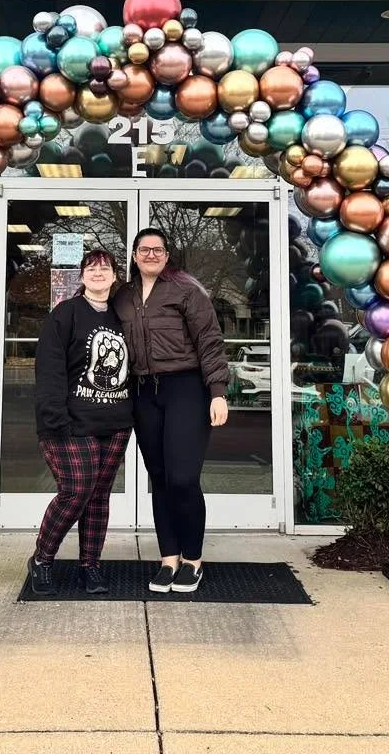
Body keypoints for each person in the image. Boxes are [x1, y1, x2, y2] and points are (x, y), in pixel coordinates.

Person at [114, 228, 231, 595]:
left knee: (182, 478)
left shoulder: (185, 290)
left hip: (186, 389)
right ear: (133, 256)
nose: (151, 254)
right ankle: (169, 558)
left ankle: (193, 559)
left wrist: (217, 392)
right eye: (144, 249)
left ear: (167, 256)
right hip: (143, 393)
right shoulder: (123, 295)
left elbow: (209, 341)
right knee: (160, 479)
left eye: (158, 250)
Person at [28, 249, 133, 596]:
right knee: (75, 491)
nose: (98, 272)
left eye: (105, 267)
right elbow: (50, 370)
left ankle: (91, 565)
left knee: (99, 496)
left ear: (115, 275)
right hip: (71, 423)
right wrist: (55, 419)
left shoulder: (123, 315)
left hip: (116, 422)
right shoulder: (66, 314)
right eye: (91, 267)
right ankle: (42, 559)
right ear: (82, 276)